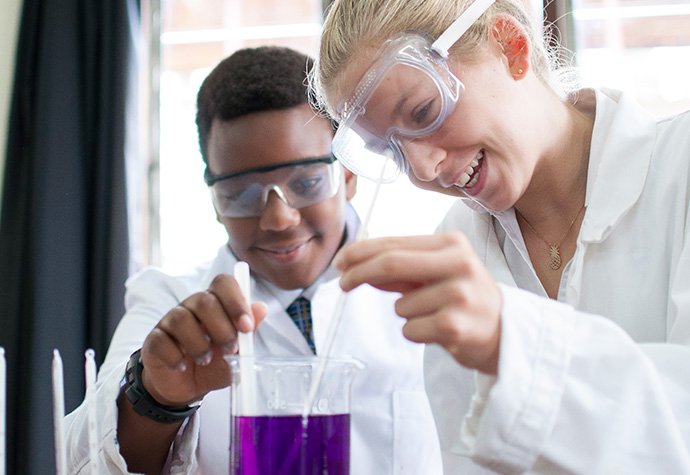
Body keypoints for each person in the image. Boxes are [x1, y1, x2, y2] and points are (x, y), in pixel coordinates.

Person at [310, 0, 690, 473]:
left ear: (511, 46)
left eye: (424, 110)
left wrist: (510, 338)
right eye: (391, 150)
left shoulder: (682, 169)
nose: (423, 169)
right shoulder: (457, 246)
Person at [64, 46, 442, 474]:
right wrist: (156, 397)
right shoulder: (168, 299)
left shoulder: (426, 290)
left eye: (307, 181)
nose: (279, 218)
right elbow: (77, 461)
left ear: (348, 175)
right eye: (241, 194)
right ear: (214, 202)